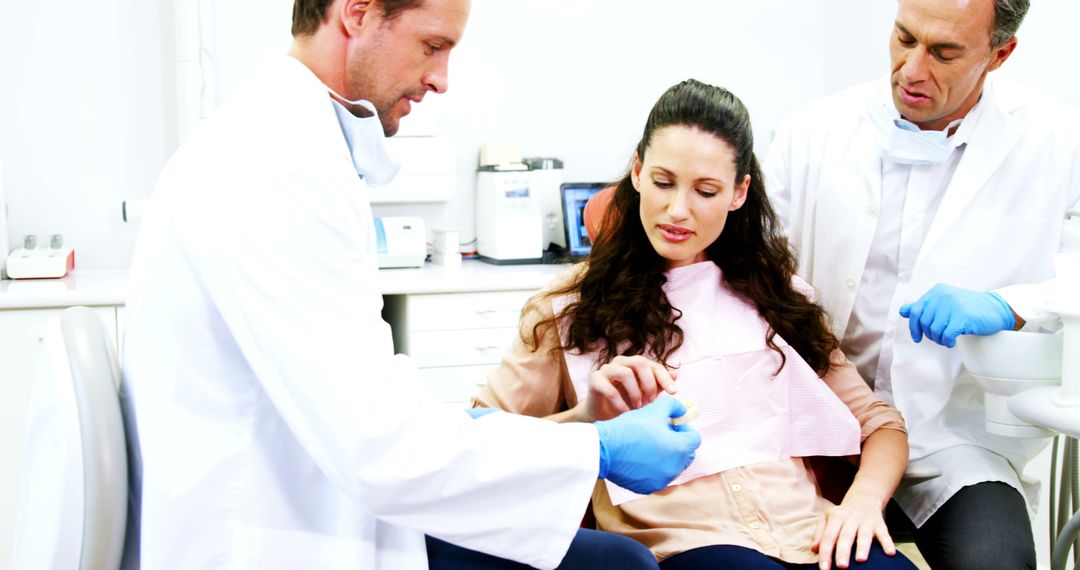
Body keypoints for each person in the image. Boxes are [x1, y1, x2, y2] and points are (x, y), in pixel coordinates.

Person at [119, 1, 702, 568]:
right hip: (278, 534)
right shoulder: (276, 170)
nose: (441, 79)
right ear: (357, 12)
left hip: (328, 500)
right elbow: (383, 450)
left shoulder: (292, 146)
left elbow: (374, 406)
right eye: (433, 46)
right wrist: (597, 450)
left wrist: (576, 424)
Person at [473, 79, 915, 570]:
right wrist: (588, 421)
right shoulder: (568, 315)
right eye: (663, 182)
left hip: (813, 535)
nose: (678, 211)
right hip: (692, 548)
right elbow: (481, 446)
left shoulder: (778, 299)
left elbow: (882, 426)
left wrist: (862, 502)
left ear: (738, 192)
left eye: (706, 191)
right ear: (637, 172)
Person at [763, 0, 1080, 568]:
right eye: (905, 38)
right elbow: (750, 262)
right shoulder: (815, 132)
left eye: (944, 52)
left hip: (956, 438)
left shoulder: (1056, 143)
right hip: (817, 425)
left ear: (999, 54)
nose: (912, 68)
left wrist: (1010, 305)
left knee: (997, 561)